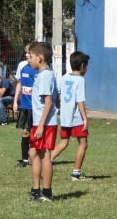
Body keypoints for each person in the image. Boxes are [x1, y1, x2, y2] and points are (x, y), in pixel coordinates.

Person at [51, 51, 92, 181]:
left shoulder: (64, 77)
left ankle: (47, 160)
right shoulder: (80, 80)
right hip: (76, 118)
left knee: (64, 142)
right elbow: (79, 101)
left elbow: (57, 93)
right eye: (87, 66)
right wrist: (85, 118)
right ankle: (76, 173)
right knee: (83, 144)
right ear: (83, 67)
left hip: (64, 117)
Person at [28, 42, 59, 202]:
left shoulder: (46, 76)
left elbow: (48, 102)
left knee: (44, 156)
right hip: (41, 122)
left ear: (40, 58)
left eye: (31, 56)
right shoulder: (43, 75)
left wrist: (41, 125)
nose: (29, 59)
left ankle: (46, 192)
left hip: (45, 123)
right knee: (34, 154)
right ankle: (35, 190)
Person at [13, 42, 36, 168]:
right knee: (25, 132)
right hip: (25, 106)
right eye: (26, 52)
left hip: (36, 107)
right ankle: (24, 160)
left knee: (35, 133)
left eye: (29, 53)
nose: (27, 55)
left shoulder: (39, 68)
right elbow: (20, 84)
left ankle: (37, 156)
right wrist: (16, 101)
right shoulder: (22, 67)